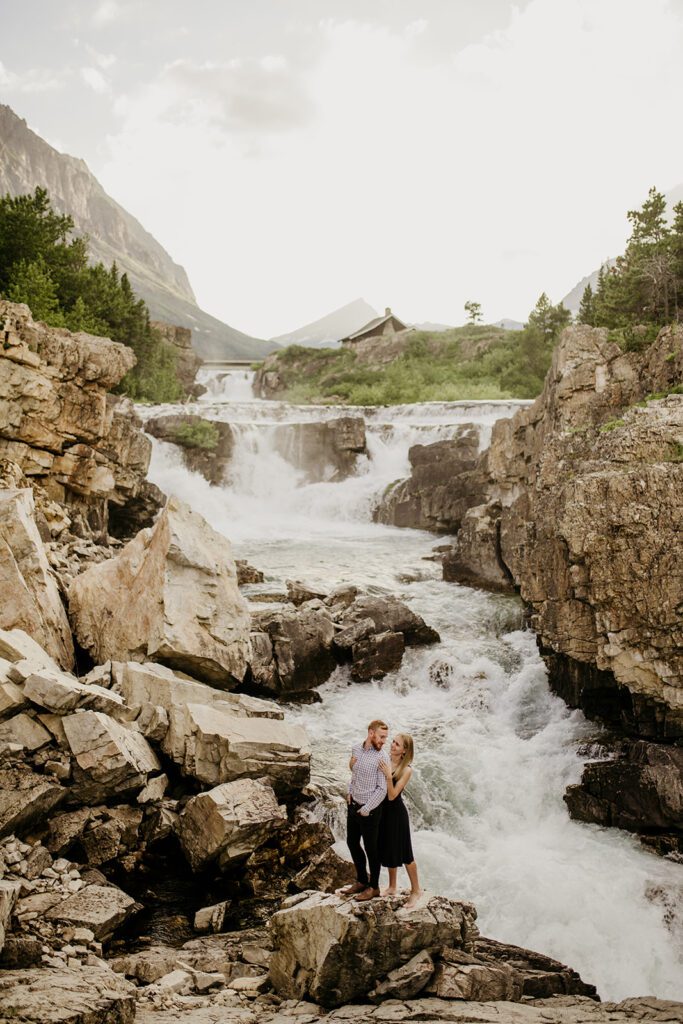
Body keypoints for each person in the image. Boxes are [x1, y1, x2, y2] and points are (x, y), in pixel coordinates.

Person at [339, 719, 390, 902]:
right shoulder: (356, 749)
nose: (384, 741)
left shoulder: (382, 757)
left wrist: (367, 809)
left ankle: (374, 887)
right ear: (371, 733)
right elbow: (354, 775)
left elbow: (382, 789)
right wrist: (349, 792)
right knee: (352, 842)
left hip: (370, 810)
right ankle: (361, 880)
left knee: (371, 849)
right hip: (353, 805)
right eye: (381, 737)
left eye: (386, 737)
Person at [378, 732, 423, 909]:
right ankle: (392, 886)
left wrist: (388, 776)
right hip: (383, 813)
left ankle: (416, 890)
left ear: (404, 750)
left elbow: (392, 795)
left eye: (397, 744)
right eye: (393, 742)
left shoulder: (406, 770)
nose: (392, 745)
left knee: (406, 854)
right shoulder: (385, 759)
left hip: (397, 814)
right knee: (389, 849)